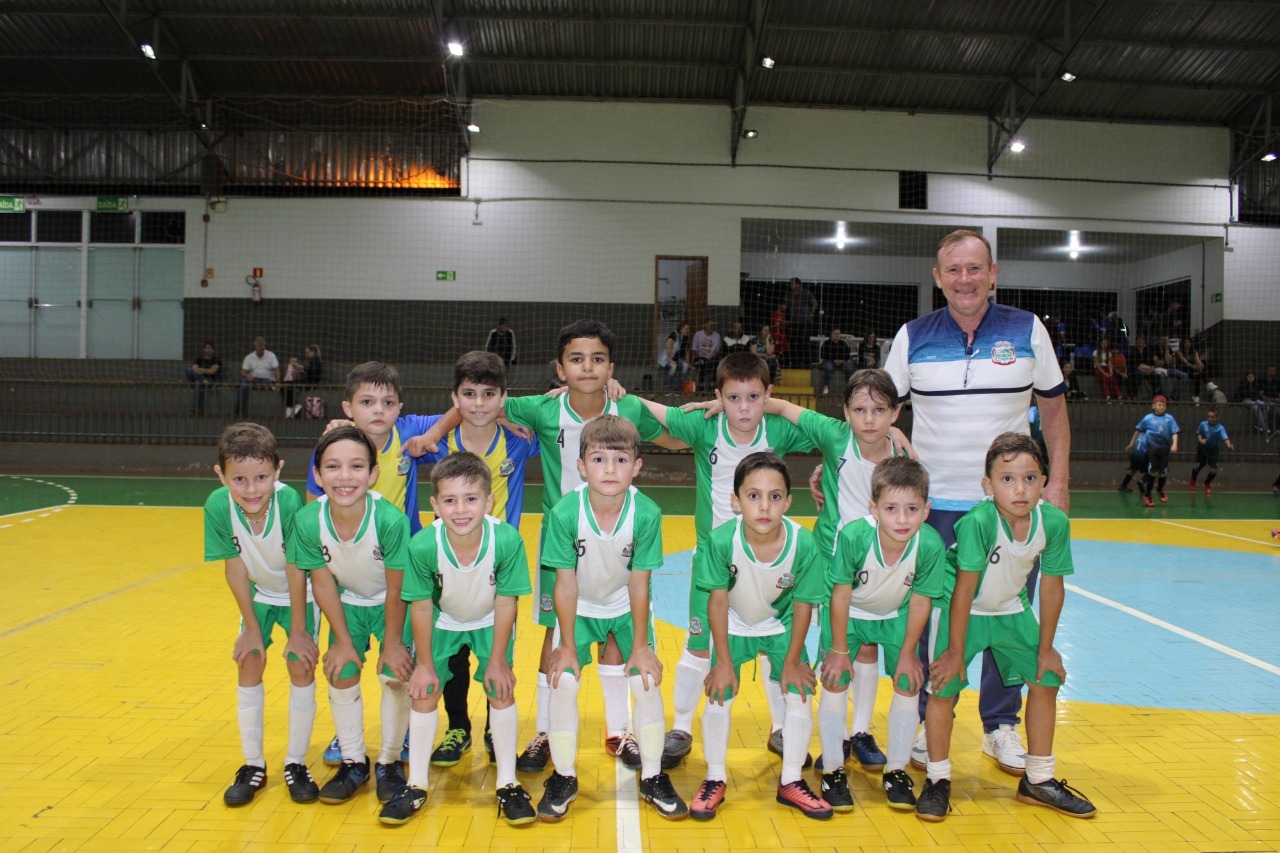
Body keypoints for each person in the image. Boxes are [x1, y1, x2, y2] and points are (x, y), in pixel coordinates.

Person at [881, 229, 1069, 777]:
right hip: (933, 506)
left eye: (974, 268)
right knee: (933, 617)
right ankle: (929, 717)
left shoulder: (1027, 330)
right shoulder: (913, 336)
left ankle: (1000, 725)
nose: (965, 279)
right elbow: (878, 410)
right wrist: (843, 462)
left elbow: (1054, 411)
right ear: (938, 278)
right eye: (954, 270)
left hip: (1012, 507)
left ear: (993, 274)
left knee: (1007, 612)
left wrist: (1057, 484)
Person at [479, 320, 675, 775]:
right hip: (562, 543)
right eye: (576, 359)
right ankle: (546, 731)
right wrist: (435, 433)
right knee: (556, 636)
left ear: (612, 367)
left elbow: (680, 430)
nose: (587, 367)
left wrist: (710, 408)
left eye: (598, 359)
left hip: (617, 538)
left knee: (615, 634)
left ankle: (618, 730)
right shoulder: (544, 409)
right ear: (560, 368)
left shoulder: (627, 408)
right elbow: (482, 405)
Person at [635, 352, 814, 772]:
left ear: (768, 395)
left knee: (772, 642)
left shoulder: (778, 430)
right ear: (718, 397)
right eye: (733, 398)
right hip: (712, 563)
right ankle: (681, 727)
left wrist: (777, 408)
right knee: (698, 644)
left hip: (768, 564)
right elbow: (648, 408)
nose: (744, 408)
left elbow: (833, 435)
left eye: (754, 397)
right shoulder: (704, 426)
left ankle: (781, 727)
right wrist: (612, 387)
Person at [915, 433, 1096, 822]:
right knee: (944, 685)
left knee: (1046, 678)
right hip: (960, 609)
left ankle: (1039, 779)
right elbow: (964, 590)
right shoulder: (978, 522)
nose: (1020, 489)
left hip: (1011, 608)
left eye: (1030, 479)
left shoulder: (1054, 522)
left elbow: (1052, 587)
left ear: (1043, 482)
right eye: (1007, 479)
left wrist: (1047, 647)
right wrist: (954, 652)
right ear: (988, 485)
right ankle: (937, 779)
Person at [539, 415, 688, 822]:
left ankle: (653, 777)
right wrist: (567, 646)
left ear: (637, 466)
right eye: (598, 459)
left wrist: (640, 647)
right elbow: (565, 584)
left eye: (620, 460)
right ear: (581, 466)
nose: (609, 469)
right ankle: (564, 776)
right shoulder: (564, 513)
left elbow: (640, 583)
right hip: (579, 606)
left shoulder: (647, 513)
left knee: (645, 680)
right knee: (563, 681)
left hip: (624, 604)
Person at [763, 368, 909, 777]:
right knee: (836, 649)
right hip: (832, 563)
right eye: (860, 410)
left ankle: (860, 731)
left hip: (880, 565)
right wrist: (720, 402)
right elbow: (780, 406)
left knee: (867, 645)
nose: (869, 419)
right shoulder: (833, 435)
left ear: (895, 413)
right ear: (845, 412)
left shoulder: (902, 458)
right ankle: (837, 735)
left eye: (879, 410)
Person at [400, 351, 540, 770]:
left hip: (497, 568)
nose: (479, 403)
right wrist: (341, 424)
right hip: (446, 567)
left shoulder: (520, 440)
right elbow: (384, 425)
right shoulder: (438, 443)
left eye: (489, 395)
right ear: (455, 397)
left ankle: (496, 729)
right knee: (453, 654)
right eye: (469, 394)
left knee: (497, 650)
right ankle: (458, 726)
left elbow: (563, 418)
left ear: (503, 398)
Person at [379, 453, 535, 826]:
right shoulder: (423, 545)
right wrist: (424, 665)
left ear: (489, 501)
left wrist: (497, 661)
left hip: (490, 618)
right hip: (441, 619)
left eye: (471, 499)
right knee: (425, 690)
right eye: (450, 500)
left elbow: (506, 602)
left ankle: (508, 783)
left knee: (500, 688)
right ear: (435, 505)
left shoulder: (507, 540)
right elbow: (420, 606)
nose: (461, 509)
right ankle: (416, 784)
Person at [305, 362, 445, 767]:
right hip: (350, 573)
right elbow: (315, 516)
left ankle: (403, 733)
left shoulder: (407, 431)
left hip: (401, 571)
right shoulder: (332, 447)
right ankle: (347, 735)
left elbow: (468, 408)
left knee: (400, 662)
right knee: (343, 662)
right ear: (347, 408)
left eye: (387, 402)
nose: (378, 410)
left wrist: (434, 434)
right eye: (366, 402)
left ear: (400, 407)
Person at [693, 452, 829, 820]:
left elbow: (804, 604)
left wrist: (793, 661)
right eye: (753, 496)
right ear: (736, 501)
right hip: (733, 622)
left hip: (781, 624)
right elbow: (717, 602)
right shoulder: (721, 541)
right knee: (719, 693)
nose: (764, 506)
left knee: (799, 692)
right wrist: (723, 662)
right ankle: (715, 777)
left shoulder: (804, 544)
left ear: (788, 501)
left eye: (775, 496)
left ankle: (791, 780)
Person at [289, 426, 412, 806]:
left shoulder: (389, 520)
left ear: (373, 474)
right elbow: (322, 583)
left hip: (393, 604)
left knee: (395, 675)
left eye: (356, 466)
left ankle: (390, 761)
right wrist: (342, 642)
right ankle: (354, 761)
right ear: (317, 474)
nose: (345, 476)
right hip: (347, 605)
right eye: (333, 467)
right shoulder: (308, 521)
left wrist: (393, 643)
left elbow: (398, 587)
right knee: (341, 672)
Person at [821, 457, 948, 813]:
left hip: (896, 615)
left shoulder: (930, 545)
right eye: (891, 509)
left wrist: (908, 653)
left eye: (912, 509)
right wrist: (839, 650)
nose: (902, 519)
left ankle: (896, 771)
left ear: (926, 510)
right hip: (850, 614)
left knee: (909, 680)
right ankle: (832, 771)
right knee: (834, 679)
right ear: (874, 509)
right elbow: (840, 594)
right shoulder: (854, 537)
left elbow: (921, 600)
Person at [205, 422, 318, 807]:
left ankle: (296, 761)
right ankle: (253, 763)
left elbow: (297, 565)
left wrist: (299, 630)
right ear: (221, 475)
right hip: (259, 594)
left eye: (261, 477)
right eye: (239, 479)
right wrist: (250, 628)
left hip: (301, 592)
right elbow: (235, 568)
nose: (251, 489)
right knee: (249, 659)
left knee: (300, 664)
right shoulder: (217, 506)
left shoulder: (288, 502)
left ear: (278, 470)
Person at [1129, 394, 1179, 507]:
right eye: (1159, 405)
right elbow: (1138, 430)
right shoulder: (1148, 418)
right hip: (1152, 450)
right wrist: (1132, 444)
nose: (1162, 407)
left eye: (1164, 405)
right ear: (1153, 406)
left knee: (1163, 473)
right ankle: (1147, 495)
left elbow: (1175, 432)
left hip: (1164, 450)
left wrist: (1174, 444)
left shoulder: (1169, 419)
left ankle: (1160, 489)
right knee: (1153, 472)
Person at [1188, 408, 1234, 496]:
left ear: (1217, 417)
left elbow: (1225, 438)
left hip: (1213, 451)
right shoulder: (1203, 424)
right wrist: (1201, 440)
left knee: (1213, 470)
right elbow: (1199, 433)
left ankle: (1207, 483)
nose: (1210, 419)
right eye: (1208, 417)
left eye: (1212, 417)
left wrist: (1229, 444)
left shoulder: (1220, 428)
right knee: (1197, 468)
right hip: (1202, 449)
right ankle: (1193, 480)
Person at [234, 337, 279, 417]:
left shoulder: (271, 355)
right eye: (260, 346)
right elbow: (243, 372)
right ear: (255, 347)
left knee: (270, 383)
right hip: (254, 379)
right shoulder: (249, 357)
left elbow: (276, 370)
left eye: (263, 345)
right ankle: (239, 409)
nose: (262, 347)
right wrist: (248, 375)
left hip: (267, 380)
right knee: (243, 382)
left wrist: (277, 381)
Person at [282, 344, 323, 418]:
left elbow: (312, 371)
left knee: (285, 385)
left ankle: (294, 406)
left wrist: (303, 368)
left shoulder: (316, 361)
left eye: (307, 352)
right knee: (286, 386)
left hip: (310, 382)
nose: (306, 355)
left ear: (313, 352)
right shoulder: (313, 361)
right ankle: (292, 406)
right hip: (308, 381)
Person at [786, 277, 819, 366]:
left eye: (792, 283)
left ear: (798, 284)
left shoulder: (806, 292)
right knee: (793, 343)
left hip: (805, 322)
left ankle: (807, 363)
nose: (790, 285)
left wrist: (811, 314)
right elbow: (786, 306)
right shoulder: (789, 294)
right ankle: (795, 362)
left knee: (804, 343)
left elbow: (815, 303)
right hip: (794, 322)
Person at [186, 340, 222, 416]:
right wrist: (205, 371)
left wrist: (200, 370)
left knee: (198, 383)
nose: (209, 350)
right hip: (200, 378)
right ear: (204, 349)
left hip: (210, 379)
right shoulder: (199, 359)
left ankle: (195, 410)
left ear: (213, 350)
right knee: (188, 369)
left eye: (211, 348)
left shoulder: (217, 360)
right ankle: (203, 380)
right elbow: (193, 369)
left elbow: (212, 371)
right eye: (207, 348)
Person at [818, 327, 854, 396]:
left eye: (838, 334)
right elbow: (823, 355)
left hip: (842, 362)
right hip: (830, 361)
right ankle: (826, 387)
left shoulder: (843, 344)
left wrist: (841, 360)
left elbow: (847, 355)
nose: (837, 335)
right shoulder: (826, 344)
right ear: (831, 334)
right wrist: (833, 360)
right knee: (828, 368)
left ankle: (849, 388)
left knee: (849, 368)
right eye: (835, 333)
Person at [690, 319, 723, 391]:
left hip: (711, 358)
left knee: (716, 363)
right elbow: (694, 350)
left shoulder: (717, 336)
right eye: (711, 325)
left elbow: (716, 351)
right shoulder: (698, 335)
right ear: (705, 325)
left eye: (714, 325)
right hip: (699, 357)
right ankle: (700, 385)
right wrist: (703, 357)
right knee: (703, 363)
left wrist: (710, 358)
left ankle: (713, 385)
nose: (713, 327)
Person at [657, 321, 690, 392]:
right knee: (673, 366)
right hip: (666, 358)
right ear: (681, 329)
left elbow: (687, 351)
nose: (687, 331)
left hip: (677, 359)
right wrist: (670, 360)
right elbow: (668, 348)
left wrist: (688, 363)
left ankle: (677, 387)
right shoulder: (674, 335)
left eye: (688, 329)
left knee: (685, 365)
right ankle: (667, 388)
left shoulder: (686, 338)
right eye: (686, 329)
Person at [1117, 423, 1149, 494]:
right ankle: (1142, 481)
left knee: (1134, 470)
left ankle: (1123, 486)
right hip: (1142, 455)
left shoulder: (1140, 434)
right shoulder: (1151, 436)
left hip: (1134, 455)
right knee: (1153, 470)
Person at [1156, 336, 1188, 400]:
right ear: (1159, 340)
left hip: (1168, 369)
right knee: (1162, 375)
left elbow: (1172, 364)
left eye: (1166, 341)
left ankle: (1174, 396)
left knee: (1184, 375)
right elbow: (1158, 363)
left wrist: (1167, 350)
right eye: (1164, 340)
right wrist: (1166, 360)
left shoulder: (1169, 349)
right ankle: (1165, 398)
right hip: (1158, 370)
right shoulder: (1154, 348)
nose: (1165, 342)